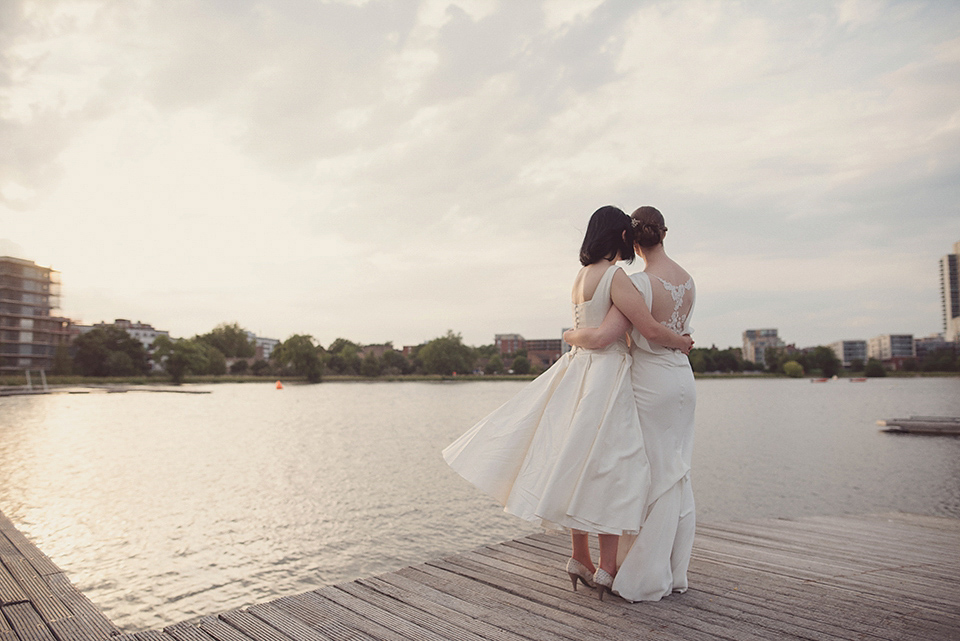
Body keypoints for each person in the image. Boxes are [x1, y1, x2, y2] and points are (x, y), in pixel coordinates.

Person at [442, 206, 693, 599]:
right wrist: (680, 341)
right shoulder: (616, 277)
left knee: (577, 461)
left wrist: (568, 335)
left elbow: (582, 333)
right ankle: (608, 567)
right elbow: (627, 332)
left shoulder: (581, 277)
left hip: (578, 374)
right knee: (614, 467)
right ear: (621, 237)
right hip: (605, 377)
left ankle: (580, 555)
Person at [563, 205, 697, 602]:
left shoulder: (610, 280)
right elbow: (654, 329)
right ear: (663, 233)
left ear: (634, 239)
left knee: (627, 467)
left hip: (624, 379)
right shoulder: (687, 281)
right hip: (678, 380)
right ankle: (666, 567)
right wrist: (684, 343)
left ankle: (616, 562)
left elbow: (623, 333)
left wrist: (570, 335)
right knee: (672, 471)